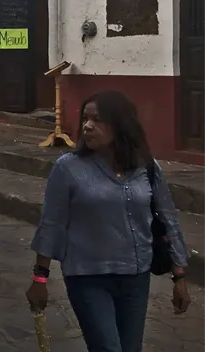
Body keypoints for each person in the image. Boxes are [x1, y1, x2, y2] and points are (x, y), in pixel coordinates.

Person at [27, 91, 191, 352]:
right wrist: (40, 278)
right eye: (85, 118)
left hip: (135, 278)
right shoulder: (67, 168)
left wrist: (179, 276)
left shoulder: (146, 167)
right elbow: (52, 224)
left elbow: (168, 219)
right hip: (87, 277)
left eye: (97, 120)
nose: (87, 126)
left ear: (121, 125)